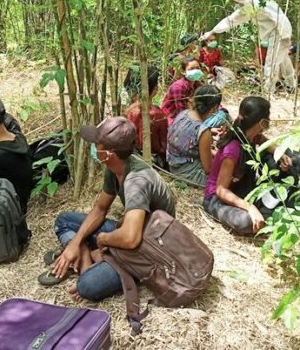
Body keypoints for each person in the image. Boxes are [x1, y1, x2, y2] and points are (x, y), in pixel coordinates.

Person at [44, 117, 176, 302]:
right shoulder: (115, 167)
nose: (93, 148)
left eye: (97, 145)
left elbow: (131, 239)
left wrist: (103, 240)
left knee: (86, 287)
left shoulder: (136, 181)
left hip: (150, 248)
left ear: (108, 153)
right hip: (132, 229)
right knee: (64, 220)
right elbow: (100, 208)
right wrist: (76, 242)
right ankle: (84, 256)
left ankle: (91, 262)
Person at [203, 96, 294, 234]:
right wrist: (249, 207)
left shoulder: (250, 135)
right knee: (246, 222)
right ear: (262, 122)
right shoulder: (232, 149)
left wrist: (280, 154)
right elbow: (221, 190)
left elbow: (263, 141)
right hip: (216, 199)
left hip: (241, 189)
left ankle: (264, 209)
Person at [201, 0, 296, 94]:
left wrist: (286, 35)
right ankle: (291, 85)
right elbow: (231, 20)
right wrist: (212, 31)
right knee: (283, 60)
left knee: (271, 62)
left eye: (237, 2)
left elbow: (278, 16)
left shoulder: (260, 2)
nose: (237, 5)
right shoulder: (247, 8)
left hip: (279, 32)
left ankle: (268, 90)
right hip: (274, 33)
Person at [167, 85, 224, 187]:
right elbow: (208, 168)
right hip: (188, 174)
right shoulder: (203, 131)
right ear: (214, 108)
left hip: (173, 166)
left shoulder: (183, 114)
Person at [123, 65, 168, 167]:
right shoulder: (158, 115)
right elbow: (163, 148)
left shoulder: (127, 111)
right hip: (151, 162)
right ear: (155, 89)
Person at [161, 57, 203, 125]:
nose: (195, 71)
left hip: (189, 114)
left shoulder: (197, 84)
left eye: (198, 68)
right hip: (172, 117)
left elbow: (207, 98)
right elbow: (182, 112)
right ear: (183, 71)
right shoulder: (178, 87)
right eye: (191, 69)